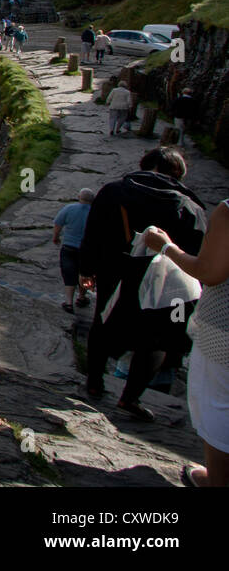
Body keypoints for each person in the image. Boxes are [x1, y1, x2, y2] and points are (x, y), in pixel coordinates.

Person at [79, 147, 207, 420]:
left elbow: (93, 233)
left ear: (144, 164)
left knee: (103, 322)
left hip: (115, 271)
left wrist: (86, 270)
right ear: (178, 173)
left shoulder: (113, 191)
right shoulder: (189, 206)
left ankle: (93, 383)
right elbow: (197, 251)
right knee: (156, 338)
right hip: (164, 283)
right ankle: (130, 398)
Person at [143, 199, 229, 486]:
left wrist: (166, 247)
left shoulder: (227, 211)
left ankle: (216, 480)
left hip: (223, 331)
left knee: (217, 402)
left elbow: (209, 272)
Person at [55, 188, 96, 312]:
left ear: (79, 197)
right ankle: (82, 297)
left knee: (68, 273)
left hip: (69, 247)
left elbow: (58, 223)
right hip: (87, 250)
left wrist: (55, 237)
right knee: (86, 274)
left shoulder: (69, 208)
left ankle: (68, 302)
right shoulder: (96, 213)